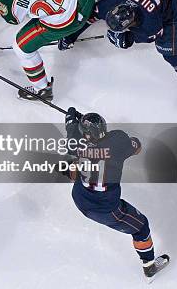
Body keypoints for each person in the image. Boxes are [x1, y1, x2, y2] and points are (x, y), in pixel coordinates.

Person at [59, 0, 177, 108]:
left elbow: (153, 35)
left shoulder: (150, 23)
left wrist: (127, 40)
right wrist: (71, 36)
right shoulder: (109, 3)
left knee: (171, 52)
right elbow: (92, 15)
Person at [62, 107, 169, 282]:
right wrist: (128, 140)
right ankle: (149, 266)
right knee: (141, 228)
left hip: (80, 197)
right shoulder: (117, 140)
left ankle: (71, 170)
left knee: (76, 161)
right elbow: (137, 147)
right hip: (104, 208)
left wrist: (73, 120)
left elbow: (71, 127)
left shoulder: (75, 140)